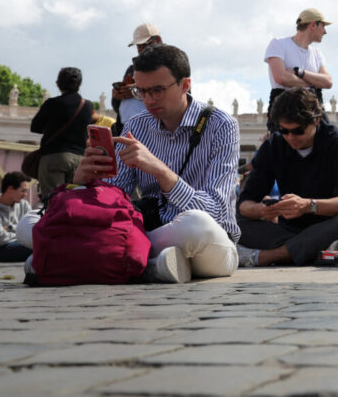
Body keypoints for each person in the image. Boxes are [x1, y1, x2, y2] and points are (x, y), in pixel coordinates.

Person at [45, 45, 240, 283]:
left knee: (195, 224)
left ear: (185, 85)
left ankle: (120, 259)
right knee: (31, 223)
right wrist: (84, 182)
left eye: (157, 90)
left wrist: (160, 170)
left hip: (211, 242)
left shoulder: (221, 125)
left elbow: (216, 213)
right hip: (154, 232)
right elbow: (115, 199)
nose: (148, 100)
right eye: (141, 91)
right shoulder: (136, 125)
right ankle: (155, 264)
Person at [235, 88, 338, 267]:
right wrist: (261, 210)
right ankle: (320, 251)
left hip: (329, 223)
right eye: (284, 130)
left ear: (316, 121)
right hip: (289, 229)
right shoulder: (274, 145)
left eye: (298, 131)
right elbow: (245, 202)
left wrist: (308, 206)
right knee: (234, 221)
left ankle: (269, 256)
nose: (291, 137)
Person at [264, 8, 333, 131]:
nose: (325, 32)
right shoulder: (279, 44)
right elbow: (281, 78)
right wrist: (315, 82)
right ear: (313, 25)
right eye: (323, 26)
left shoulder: (317, 53)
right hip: (285, 107)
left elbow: (328, 82)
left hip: (313, 108)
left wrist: (299, 72)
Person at [29, 67, 95, 191]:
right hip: (79, 160)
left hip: (54, 157)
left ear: (58, 84)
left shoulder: (51, 103)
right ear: (79, 84)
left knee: (52, 200)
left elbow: (35, 127)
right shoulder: (87, 105)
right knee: (75, 200)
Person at [111, 23, 164, 131]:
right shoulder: (132, 69)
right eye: (139, 46)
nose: (141, 49)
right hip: (128, 130)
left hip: (156, 132)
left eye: (145, 45)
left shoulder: (170, 65)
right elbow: (119, 108)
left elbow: (178, 98)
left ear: (158, 40)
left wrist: (137, 91)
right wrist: (117, 96)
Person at [0, 172, 34, 262]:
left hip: (17, 243)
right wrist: (21, 231)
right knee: (38, 247)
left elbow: (32, 228)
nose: (25, 195)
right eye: (23, 191)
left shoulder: (24, 204)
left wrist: (11, 227)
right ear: (10, 189)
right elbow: (0, 239)